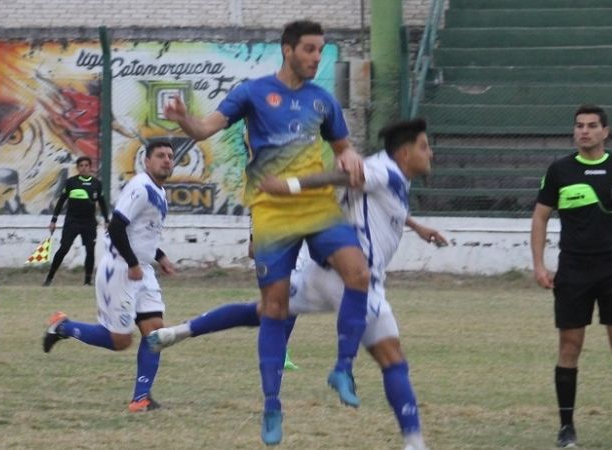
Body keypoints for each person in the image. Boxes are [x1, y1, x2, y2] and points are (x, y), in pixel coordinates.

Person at [148, 118, 440, 450]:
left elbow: (369, 194)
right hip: (355, 281)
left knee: (262, 310)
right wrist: (291, 186)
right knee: (393, 360)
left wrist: (416, 226)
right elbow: (346, 177)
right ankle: (414, 443)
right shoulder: (382, 170)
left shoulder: (391, 174)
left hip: (320, 274)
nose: (430, 153)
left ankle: (179, 332)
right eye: (424, 146)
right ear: (404, 153)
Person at [164, 20, 370, 445]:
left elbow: (342, 146)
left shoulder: (323, 100)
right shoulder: (253, 92)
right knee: (274, 308)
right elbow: (205, 129)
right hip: (272, 210)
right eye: (310, 50)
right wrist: (186, 119)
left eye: (320, 50)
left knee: (360, 274)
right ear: (288, 49)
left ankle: (342, 368)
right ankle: (272, 405)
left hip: (315, 205)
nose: (316, 58)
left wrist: (349, 158)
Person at [530, 105, 612, 448]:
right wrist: (539, 264)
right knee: (569, 347)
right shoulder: (559, 170)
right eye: (579, 126)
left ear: (605, 131)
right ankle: (566, 428)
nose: (584, 131)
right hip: (573, 270)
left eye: (592, 126)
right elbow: (540, 217)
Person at [43, 141, 176, 412]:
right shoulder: (140, 187)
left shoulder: (159, 191)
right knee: (120, 341)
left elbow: (141, 233)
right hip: (121, 268)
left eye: (170, 157)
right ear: (146, 161)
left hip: (142, 269)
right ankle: (63, 327)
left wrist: (159, 256)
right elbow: (116, 227)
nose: (167, 160)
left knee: (155, 332)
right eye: (160, 156)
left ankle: (141, 398)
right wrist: (132, 263)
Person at [43, 156, 110, 286]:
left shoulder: (96, 184)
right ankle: (49, 278)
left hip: (89, 222)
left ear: (90, 167)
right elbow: (61, 201)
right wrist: (53, 220)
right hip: (72, 221)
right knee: (64, 249)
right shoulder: (71, 182)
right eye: (81, 166)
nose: (84, 168)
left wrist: (107, 220)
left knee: (90, 250)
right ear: (77, 168)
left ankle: (87, 281)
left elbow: (102, 203)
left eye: (86, 165)